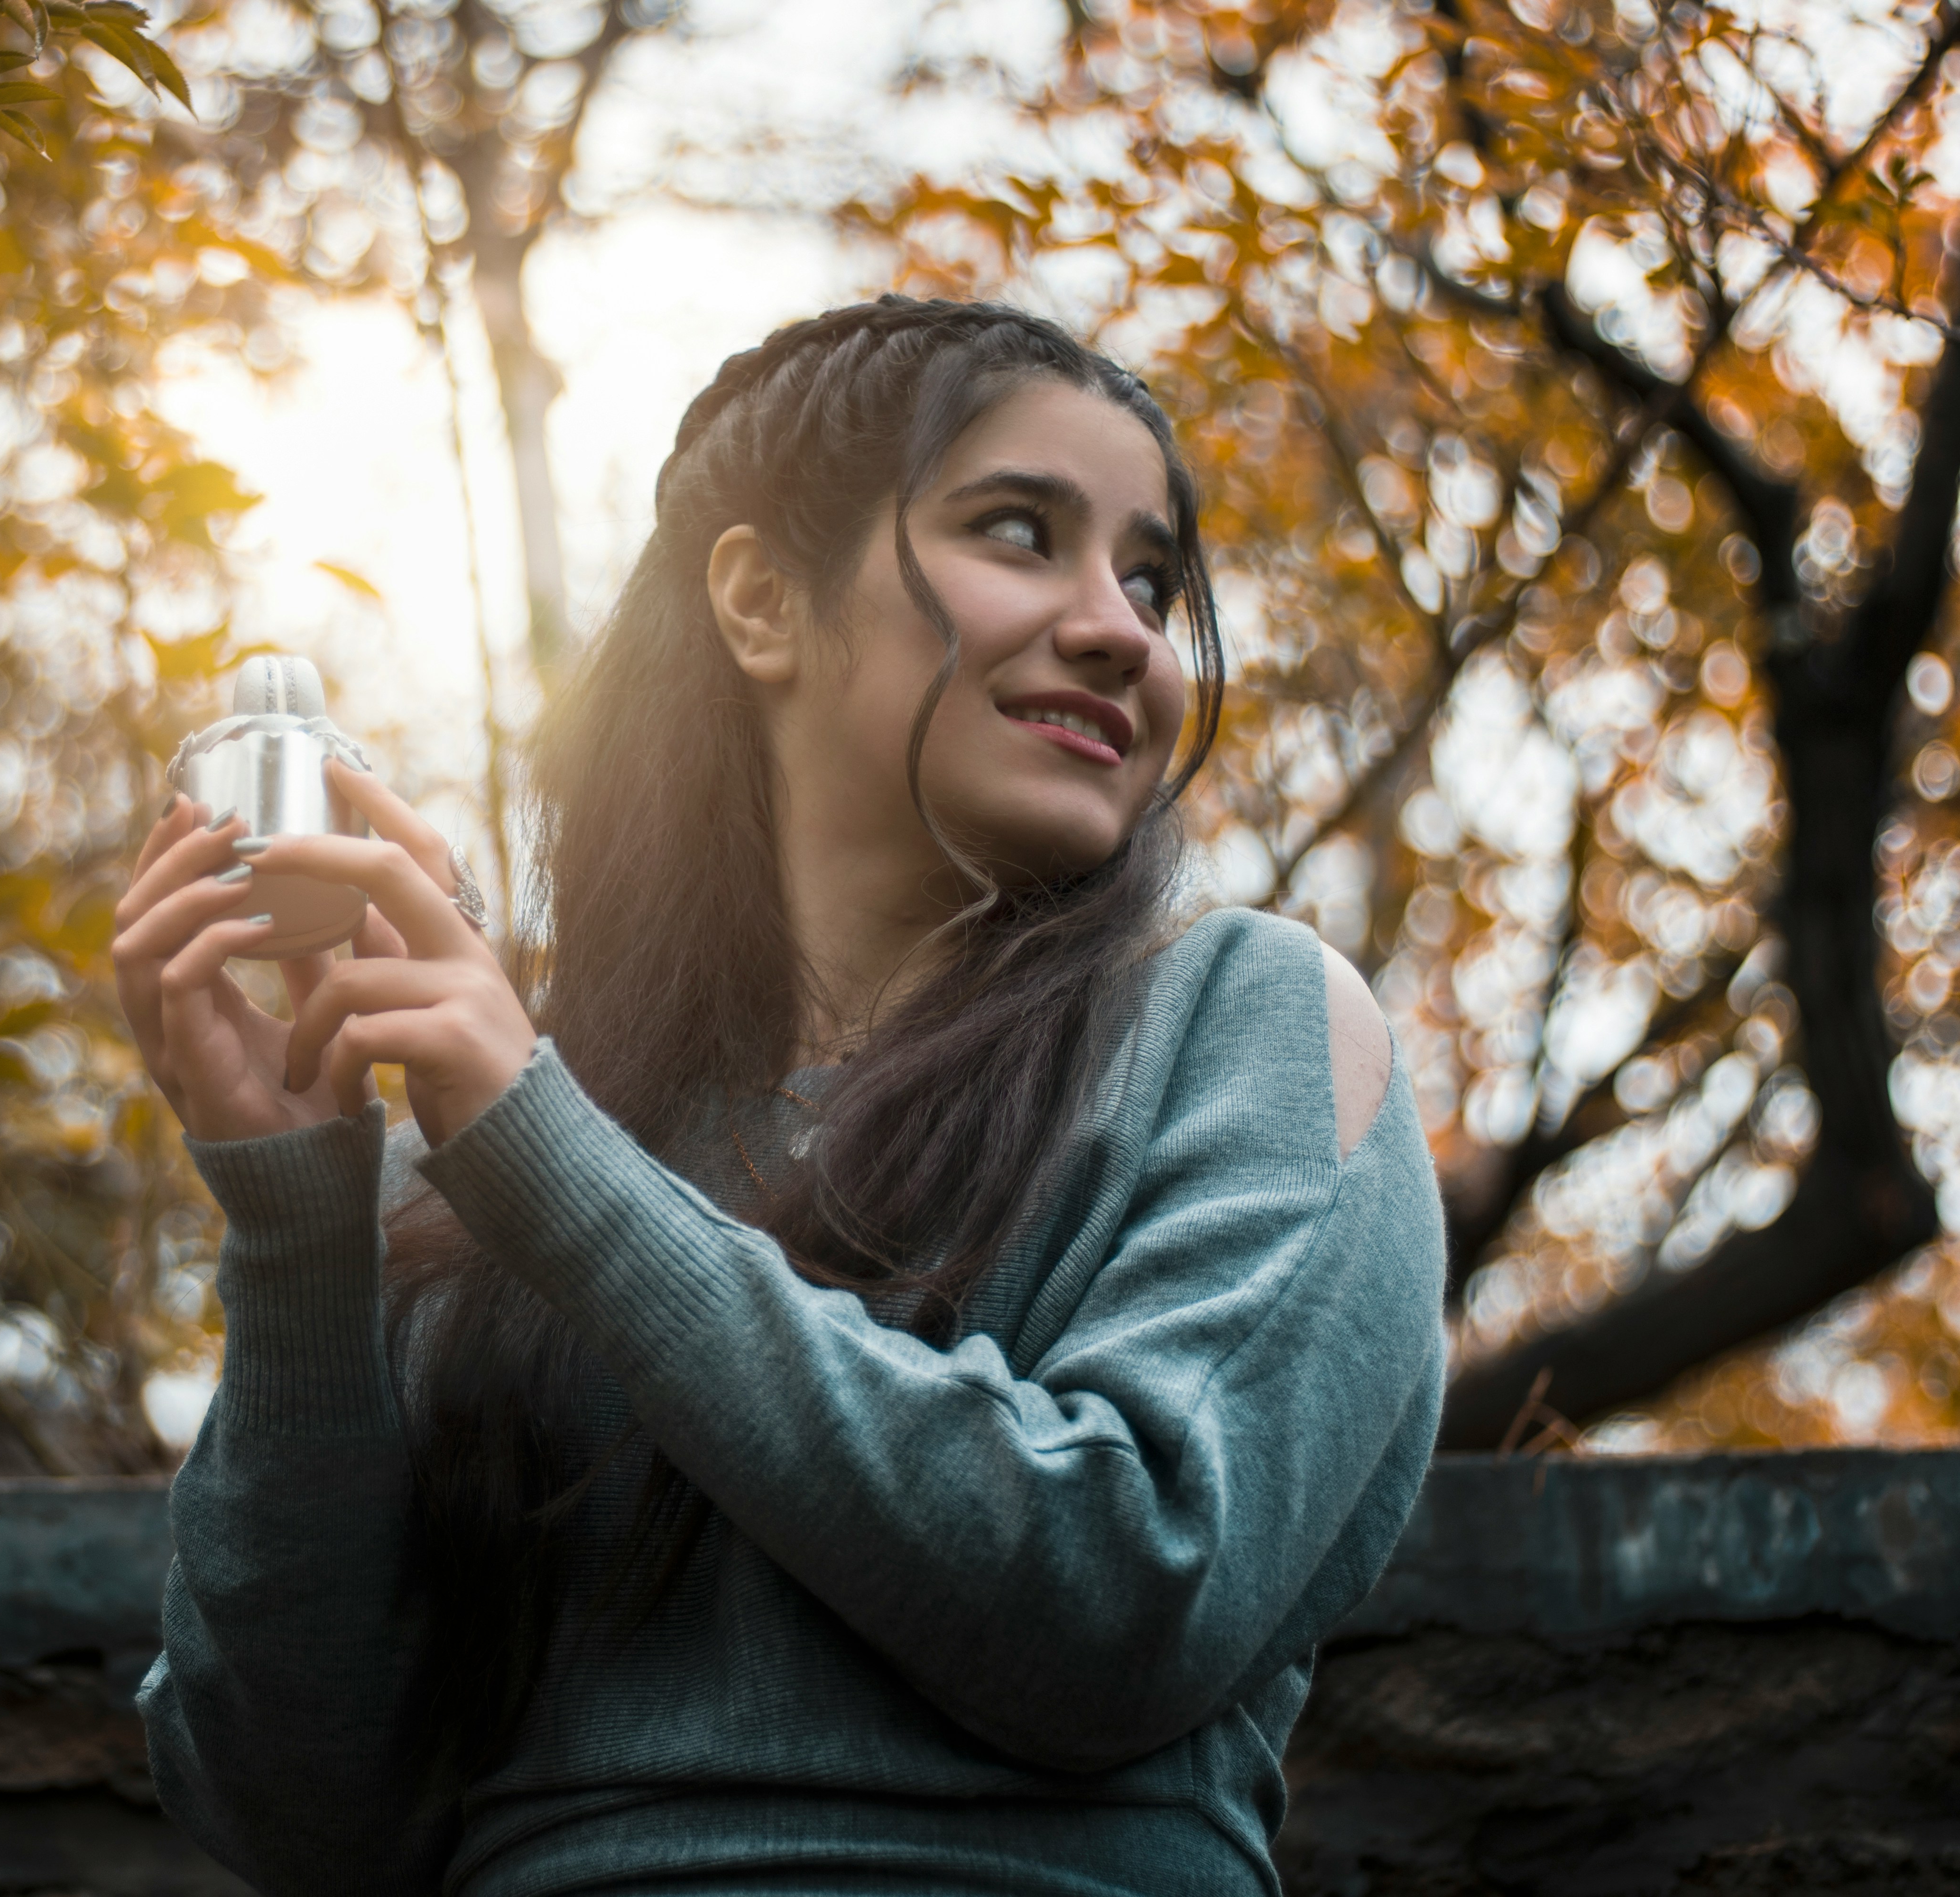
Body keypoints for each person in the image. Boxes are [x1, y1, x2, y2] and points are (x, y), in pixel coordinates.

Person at [111, 295, 1447, 1897]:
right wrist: (299, 1223)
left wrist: (545, 1158)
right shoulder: (466, 1170)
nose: (1125, 630)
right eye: (1020, 532)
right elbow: (305, 1816)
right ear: (759, 599)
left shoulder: (1243, 1021)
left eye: (1151, 578)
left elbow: (1129, 1594)